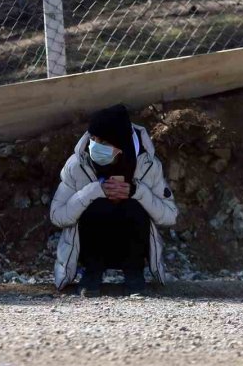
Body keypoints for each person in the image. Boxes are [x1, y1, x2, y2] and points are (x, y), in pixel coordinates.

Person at [49, 104, 178, 296]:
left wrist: (137, 192)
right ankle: (92, 273)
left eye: (103, 141)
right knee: (97, 206)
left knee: (134, 206)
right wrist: (93, 191)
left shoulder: (148, 166)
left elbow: (170, 216)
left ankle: (134, 272)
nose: (94, 145)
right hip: (91, 245)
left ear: (120, 144)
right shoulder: (78, 165)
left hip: (131, 243)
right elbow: (57, 215)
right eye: (93, 139)